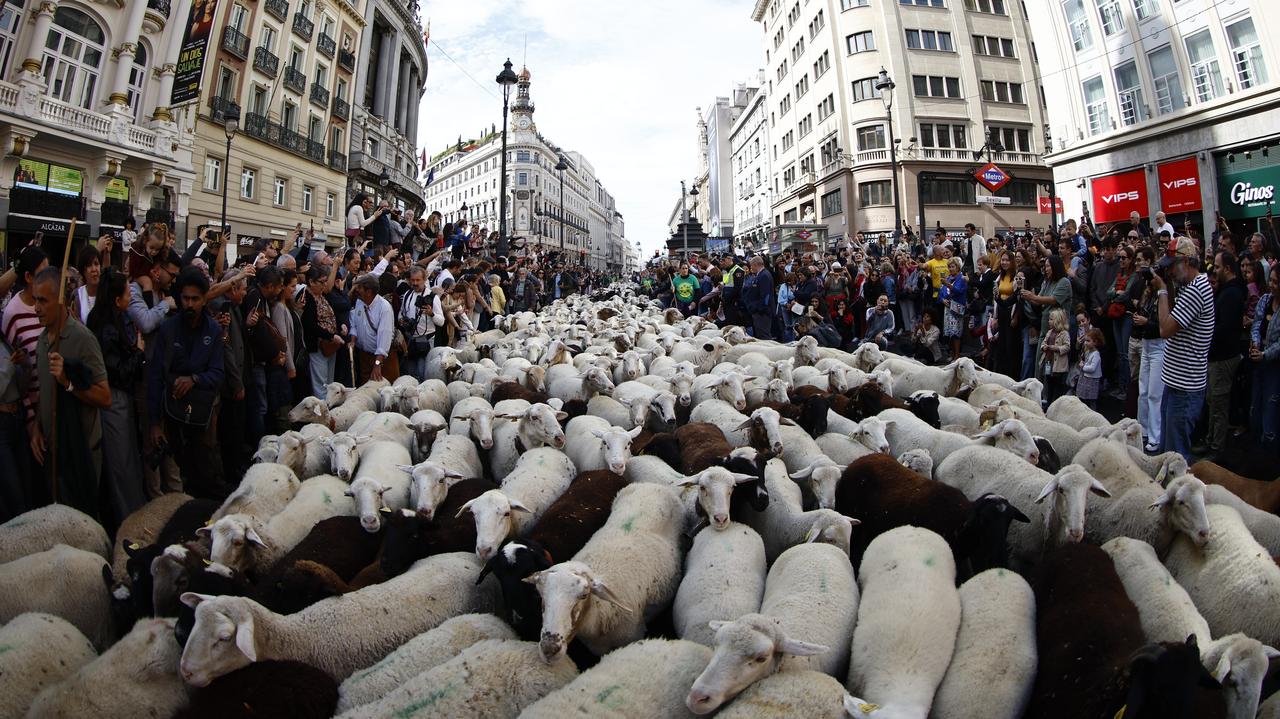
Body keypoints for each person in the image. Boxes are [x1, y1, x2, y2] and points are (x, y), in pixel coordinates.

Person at [30, 266, 111, 518]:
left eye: (43, 301)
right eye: (34, 300)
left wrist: (69, 383)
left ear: (61, 300)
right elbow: (45, 391)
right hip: (53, 454)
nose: (36, 308)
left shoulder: (83, 339)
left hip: (81, 454)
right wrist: (37, 427)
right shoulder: (42, 340)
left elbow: (105, 397)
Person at [148, 267, 226, 499]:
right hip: (173, 414)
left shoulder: (213, 330)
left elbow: (218, 373)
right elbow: (156, 376)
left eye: (195, 299)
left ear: (204, 299)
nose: (190, 304)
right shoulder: (169, 329)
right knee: (181, 472)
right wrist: (155, 422)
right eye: (185, 298)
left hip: (203, 416)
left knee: (207, 472)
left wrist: (194, 379)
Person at [85, 267, 146, 523]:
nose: (130, 297)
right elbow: (119, 371)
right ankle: (130, 521)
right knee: (122, 465)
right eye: (127, 293)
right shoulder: (107, 328)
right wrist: (139, 352)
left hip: (118, 399)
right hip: (113, 400)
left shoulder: (110, 319)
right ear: (116, 298)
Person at [1149, 236, 1215, 461]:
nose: (1169, 272)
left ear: (1186, 261)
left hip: (1185, 388)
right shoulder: (1191, 287)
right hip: (1178, 383)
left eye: (1172, 266)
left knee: (1175, 456)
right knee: (1168, 452)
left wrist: (1162, 291)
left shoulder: (1196, 290)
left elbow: (1165, 329)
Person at [1200, 251, 1246, 459]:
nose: (1215, 271)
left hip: (1223, 357)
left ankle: (1216, 447)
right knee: (1212, 401)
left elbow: (1224, 328)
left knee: (1218, 403)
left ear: (1227, 268)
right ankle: (1210, 440)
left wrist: (1206, 333)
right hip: (1217, 356)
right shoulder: (1226, 291)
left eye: (1217, 267)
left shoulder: (1232, 294)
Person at [1130, 248, 1166, 451]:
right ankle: (1142, 430)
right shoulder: (1148, 295)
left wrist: (1146, 322)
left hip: (1159, 345)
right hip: (1146, 343)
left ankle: (1155, 436)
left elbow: (1164, 324)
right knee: (1143, 390)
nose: (1148, 281)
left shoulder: (1164, 295)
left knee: (1154, 393)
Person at [1021, 254, 1072, 386]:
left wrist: (1033, 297)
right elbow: (1038, 301)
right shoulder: (1047, 282)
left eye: (1048, 266)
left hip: (1058, 334)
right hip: (1045, 331)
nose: (1046, 269)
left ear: (1055, 267)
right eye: (1045, 266)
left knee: (1054, 369)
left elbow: (1053, 300)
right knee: (1040, 364)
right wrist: (1026, 295)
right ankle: (1039, 392)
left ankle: (1050, 395)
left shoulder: (1064, 282)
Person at [299, 264, 344, 398]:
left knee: (329, 383)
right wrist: (331, 336)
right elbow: (310, 325)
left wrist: (340, 326)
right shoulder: (306, 298)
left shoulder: (321, 295)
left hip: (330, 345)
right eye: (322, 282)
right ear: (311, 281)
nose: (325, 285)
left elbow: (330, 314)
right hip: (318, 346)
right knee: (321, 384)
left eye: (325, 281)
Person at [1250, 268, 1280, 452]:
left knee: (1271, 411)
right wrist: (1255, 342)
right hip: (1258, 364)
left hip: (1274, 367)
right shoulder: (1265, 300)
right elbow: (1256, 323)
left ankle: (1270, 455)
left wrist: (1265, 354)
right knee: (1255, 410)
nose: (1272, 285)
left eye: (1276, 282)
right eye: (1271, 280)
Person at [350, 273, 398, 383]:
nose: (356, 290)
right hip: (364, 357)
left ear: (368, 292)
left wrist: (377, 364)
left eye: (359, 288)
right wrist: (353, 340)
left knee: (386, 389)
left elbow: (384, 338)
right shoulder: (359, 302)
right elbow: (354, 324)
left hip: (383, 360)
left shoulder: (384, 308)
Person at [398, 266, 444, 379]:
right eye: (412, 280)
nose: (415, 283)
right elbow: (401, 312)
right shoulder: (407, 294)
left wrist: (431, 314)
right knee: (411, 373)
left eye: (418, 280)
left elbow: (441, 322)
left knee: (422, 373)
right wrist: (401, 320)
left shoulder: (432, 298)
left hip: (426, 340)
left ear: (424, 280)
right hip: (410, 340)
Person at [1040, 308, 1071, 404]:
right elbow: (1043, 343)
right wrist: (1044, 347)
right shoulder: (1049, 332)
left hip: (1058, 366)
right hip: (1048, 362)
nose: (1048, 321)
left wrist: (1057, 348)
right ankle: (1048, 403)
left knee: (1057, 385)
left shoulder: (1064, 333)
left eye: (1051, 319)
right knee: (1049, 383)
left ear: (1057, 321)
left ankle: (1056, 403)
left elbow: (1067, 347)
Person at [939, 258, 967, 361]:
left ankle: (957, 355)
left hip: (956, 308)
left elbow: (958, 291)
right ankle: (952, 353)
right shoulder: (948, 277)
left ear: (958, 267)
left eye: (953, 266)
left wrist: (947, 284)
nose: (950, 269)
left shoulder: (962, 278)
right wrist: (942, 300)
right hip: (947, 308)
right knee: (949, 332)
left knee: (956, 333)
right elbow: (941, 292)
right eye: (949, 267)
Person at [741, 255, 774, 340]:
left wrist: (759, 308)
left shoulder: (764, 275)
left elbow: (765, 296)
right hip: (759, 312)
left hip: (762, 313)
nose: (751, 268)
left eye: (751, 266)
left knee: (763, 335)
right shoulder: (760, 275)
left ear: (756, 265)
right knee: (760, 334)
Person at [1075, 328, 1105, 409]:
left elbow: (1092, 368)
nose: (1085, 343)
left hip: (1091, 380)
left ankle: (1092, 413)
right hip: (1085, 378)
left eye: (1088, 341)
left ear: (1095, 342)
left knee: (1091, 400)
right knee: (1084, 398)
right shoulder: (1088, 351)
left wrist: (1083, 366)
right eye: (1085, 340)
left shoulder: (1096, 354)